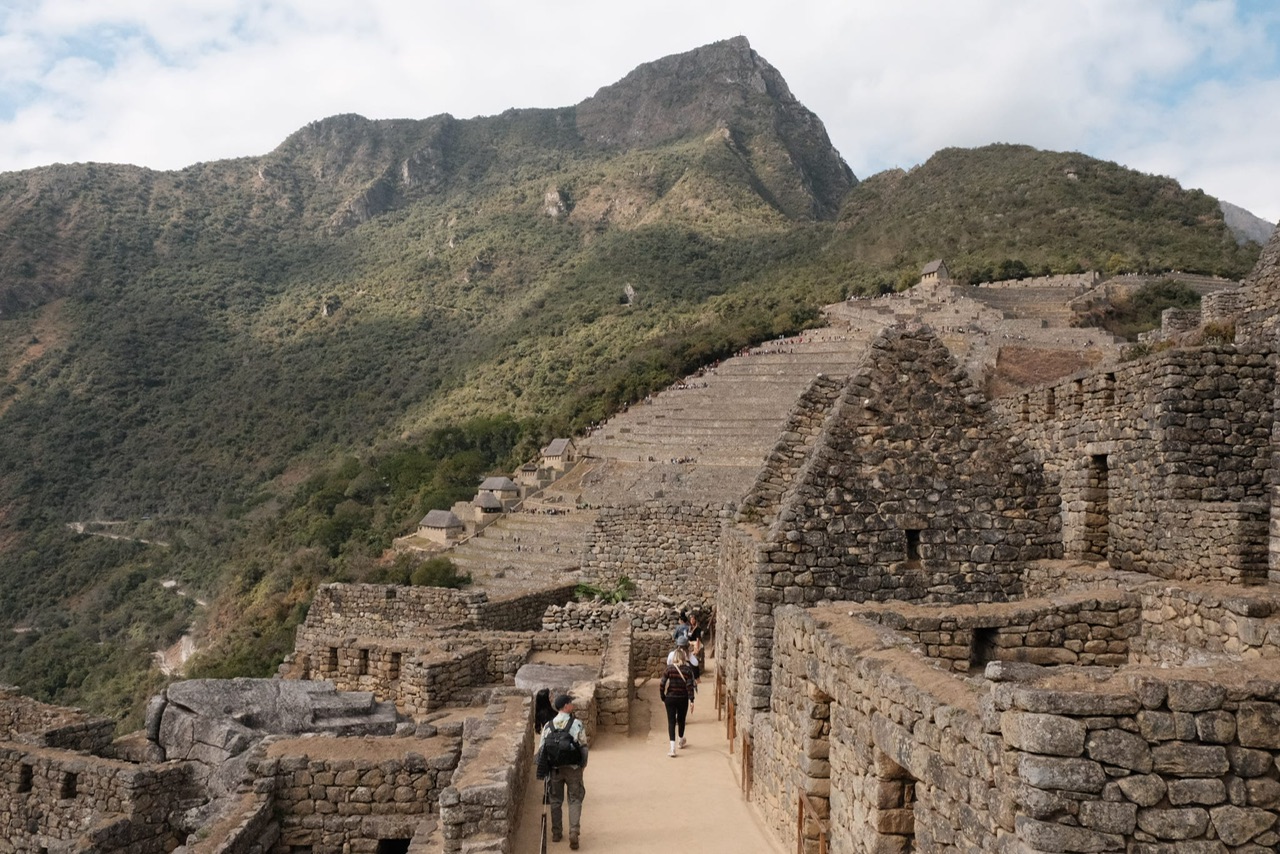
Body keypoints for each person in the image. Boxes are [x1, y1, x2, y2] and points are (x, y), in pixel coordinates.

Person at [536, 694, 588, 849]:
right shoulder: (576, 724)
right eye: (570, 702)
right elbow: (584, 747)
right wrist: (583, 766)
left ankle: (556, 832)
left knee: (556, 800)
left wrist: (544, 769)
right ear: (566, 706)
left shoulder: (548, 726)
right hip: (573, 768)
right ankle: (574, 831)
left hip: (555, 770)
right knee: (574, 799)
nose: (572, 704)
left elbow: (541, 750)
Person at [659, 648, 696, 757]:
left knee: (671, 722)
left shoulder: (669, 669)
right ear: (683, 658)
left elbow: (662, 684)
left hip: (670, 698)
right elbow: (689, 686)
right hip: (682, 698)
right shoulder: (688, 670)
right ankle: (680, 740)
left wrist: (663, 697)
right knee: (681, 720)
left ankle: (672, 748)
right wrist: (692, 700)